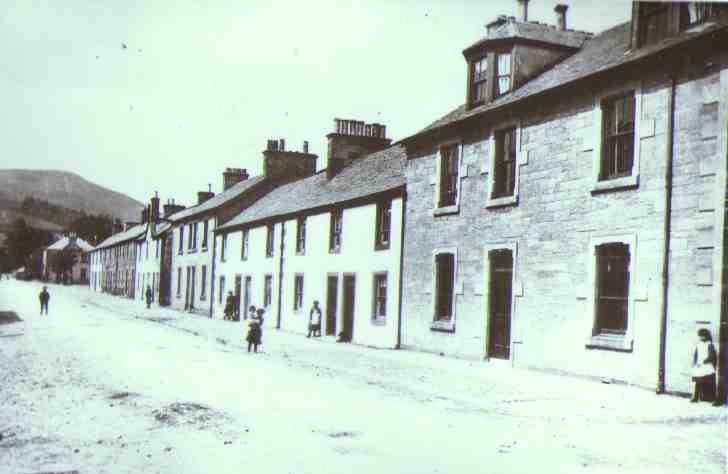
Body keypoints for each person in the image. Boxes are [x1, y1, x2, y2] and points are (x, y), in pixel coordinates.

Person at [691, 328, 717, 403]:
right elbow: (696, 354)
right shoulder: (699, 344)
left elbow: (711, 356)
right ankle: (695, 397)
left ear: (706, 336)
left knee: (710, 382)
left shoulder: (709, 344)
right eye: (699, 336)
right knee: (698, 382)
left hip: (707, 366)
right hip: (699, 366)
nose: (700, 337)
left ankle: (712, 398)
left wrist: (704, 361)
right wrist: (695, 362)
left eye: (702, 336)